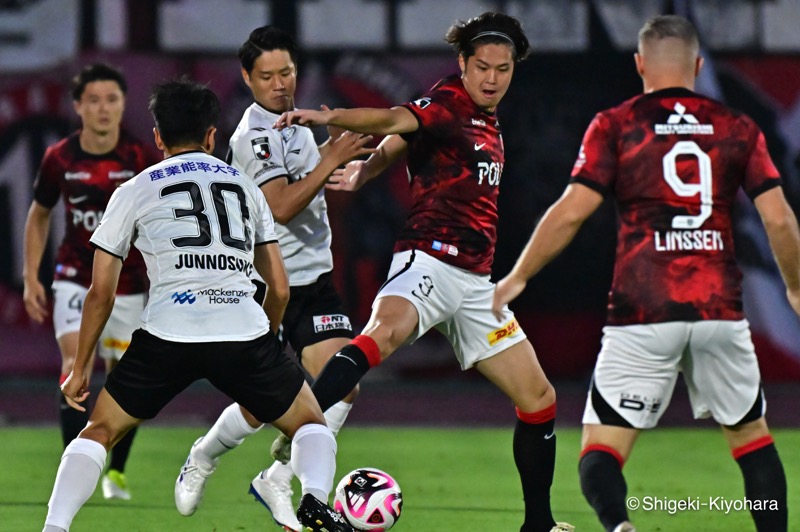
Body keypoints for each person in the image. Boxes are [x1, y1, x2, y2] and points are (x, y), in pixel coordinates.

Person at [493, 14, 797, 532]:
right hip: (718, 308)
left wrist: (517, 277)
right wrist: (795, 285)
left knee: (601, 451)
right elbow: (778, 218)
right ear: (698, 66)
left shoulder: (617, 124)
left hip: (642, 311)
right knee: (753, 441)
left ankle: (620, 527)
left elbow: (570, 211)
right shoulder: (737, 127)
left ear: (639, 65)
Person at [275, 12, 572, 532]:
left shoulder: (483, 116)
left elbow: (404, 139)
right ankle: (299, 431)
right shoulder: (450, 101)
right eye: (482, 66)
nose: (492, 78)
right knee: (383, 335)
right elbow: (394, 121)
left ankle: (539, 525)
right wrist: (332, 118)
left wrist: (368, 170)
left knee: (539, 398)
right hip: (429, 258)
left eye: (503, 69)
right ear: (463, 63)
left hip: (476, 284)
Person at [41, 79, 354, 532]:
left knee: (99, 432)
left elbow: (101, 293)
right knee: (311, 424)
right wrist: (265, 339)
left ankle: (55, 526)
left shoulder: (134, 189)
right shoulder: (245, 187)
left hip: (167, 334)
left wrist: (82, 367)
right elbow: (279, 287)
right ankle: (313, 499)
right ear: (212, 136)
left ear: (157, 137)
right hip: (242, 330)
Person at [171, 26, 373, 531]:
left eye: (287, 72)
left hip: (315, 280)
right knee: (262, 404)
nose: (280, 83)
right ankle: (204, 455)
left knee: (342, 384)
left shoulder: (299, 128)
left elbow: (310, 189)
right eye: (267, 75)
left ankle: (280, 476)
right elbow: (280, 206)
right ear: (247, 77)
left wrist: (340, 164)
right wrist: (331, 159)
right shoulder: (252, 137)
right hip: (268, 284)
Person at [23, 63, 157, 500]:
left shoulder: (140, 159)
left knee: (122, 379)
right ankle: (72, 469)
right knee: (72, 368)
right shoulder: (60, 157)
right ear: (78, 106)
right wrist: (31, 276)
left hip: (129, 283)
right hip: (75, 278)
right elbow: (39, 214)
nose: (103, 108)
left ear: (123, 105)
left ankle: (114, 472)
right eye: (94, 100)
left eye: (112, 99)